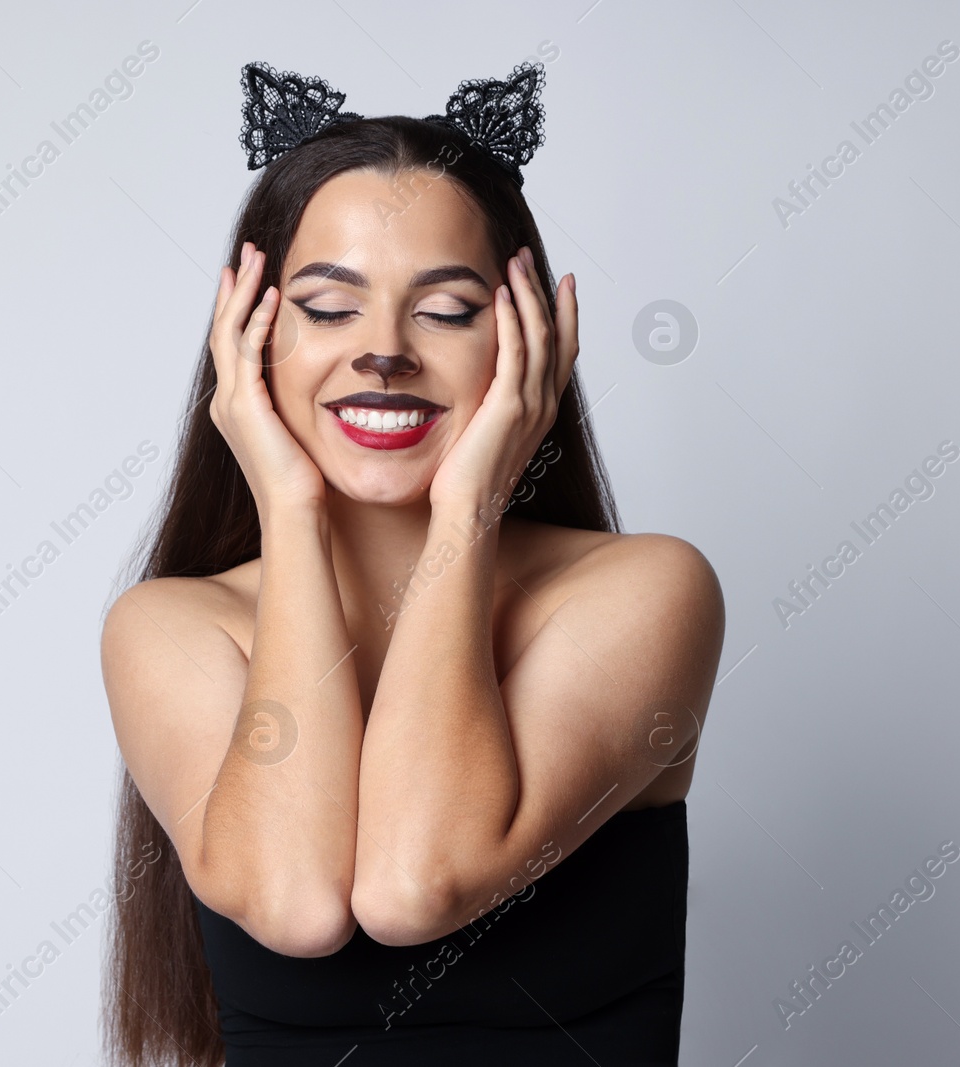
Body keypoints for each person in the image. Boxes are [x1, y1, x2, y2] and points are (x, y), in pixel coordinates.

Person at [99, 60, 725, 1066]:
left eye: (445, 310)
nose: (382, 350)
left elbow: (412, 883)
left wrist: (469, 506)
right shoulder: (172, 627)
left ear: (529, 343)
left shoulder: (643, 591)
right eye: (328, 306)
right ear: (250, 341)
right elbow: (299, 902)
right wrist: (291, 510)